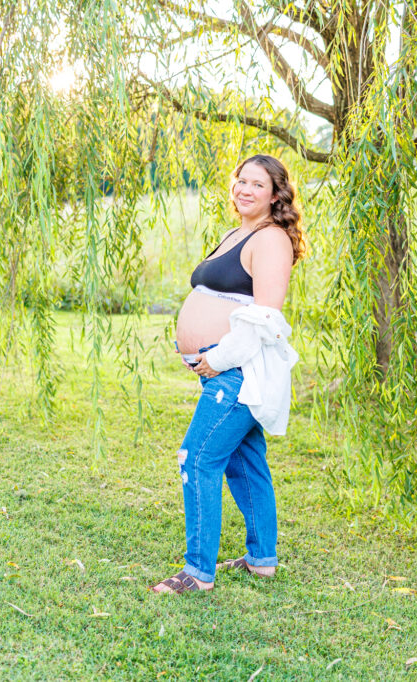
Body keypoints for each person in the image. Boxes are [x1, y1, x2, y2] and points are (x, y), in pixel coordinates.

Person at [150, 154, 305, 594]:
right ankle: (262, 560)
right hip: (223, 373)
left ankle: (198, 573)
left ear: (276, 195)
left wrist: (218, 358)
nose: (244, 189)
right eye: (241, 181)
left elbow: (266, 319)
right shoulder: (237, 233)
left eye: (257, 184)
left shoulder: (272, 239)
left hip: (237, 372)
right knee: (245, 461)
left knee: (196, 458)